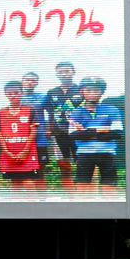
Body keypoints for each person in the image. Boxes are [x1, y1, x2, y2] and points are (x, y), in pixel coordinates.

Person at [68, 76, 123, 195]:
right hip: (84, 154)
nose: (92, 93)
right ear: (82, 91)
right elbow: (73, 135)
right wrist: (104, 130)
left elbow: (117, 133)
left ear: (102, 91)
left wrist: (87, 131)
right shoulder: (76, 112)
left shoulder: (112, 109)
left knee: (110, 191)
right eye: (88, 90)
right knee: (82, 191)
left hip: (107, 154)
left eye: (96, 90)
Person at [42, 61, 83, 190]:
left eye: (67, 71)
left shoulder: (82, 90)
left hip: (79, 133)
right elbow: (49, 112)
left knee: (83, 165)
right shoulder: (52, 92)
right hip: (58, 133)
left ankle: (85, 195)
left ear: (73, 72)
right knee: (64, 166)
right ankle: (71, 197)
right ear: (57, 74)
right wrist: (49, 129)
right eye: (60, 72)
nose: (64, 74)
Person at [0, 80, 40, 193]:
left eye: (16, 92)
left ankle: (34, 208)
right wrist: (7, 152)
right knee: (15, 183)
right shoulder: (1, 112)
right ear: (6, 94)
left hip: (27, 152)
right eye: (9, 93)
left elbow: (33, 132)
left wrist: (24, 152)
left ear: (21, 93)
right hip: (9, 152)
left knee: (29, 182)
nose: (13, 95)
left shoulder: (30, 110)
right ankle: (16, 209)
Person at [20, 72, 49, 170]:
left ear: (37, 83)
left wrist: (49, 129)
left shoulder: (43, 97)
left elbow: (52, 113)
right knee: (23, 168)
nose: (30, 82)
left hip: (40, 138)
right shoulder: (16, 98)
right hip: (22, 138)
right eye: (27, 80)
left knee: (41, 169)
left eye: (33, 81)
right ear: (22, 82)